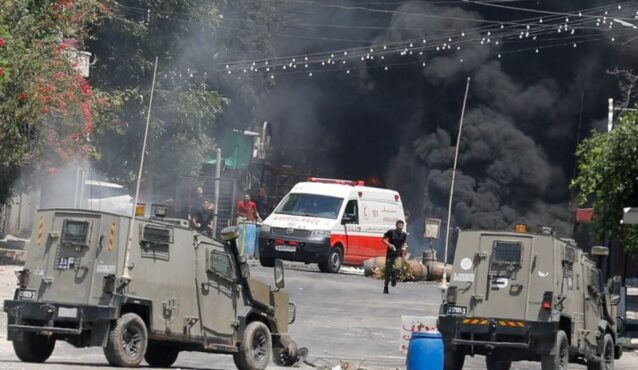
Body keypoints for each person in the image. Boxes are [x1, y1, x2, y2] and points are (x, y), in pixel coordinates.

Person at [382, 220, 407, 294]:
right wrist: (389, 245)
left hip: (398, 253)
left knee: (398, 267)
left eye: (402, 226)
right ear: (396, 226)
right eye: (399, 225)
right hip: (390, 254)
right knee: (388, 271)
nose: (400, 227)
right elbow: (383, 239)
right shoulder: (391, 232)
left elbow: (404, 243)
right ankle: (386, 287)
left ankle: (394, 276)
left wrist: (405, 248)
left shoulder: (404, 234)